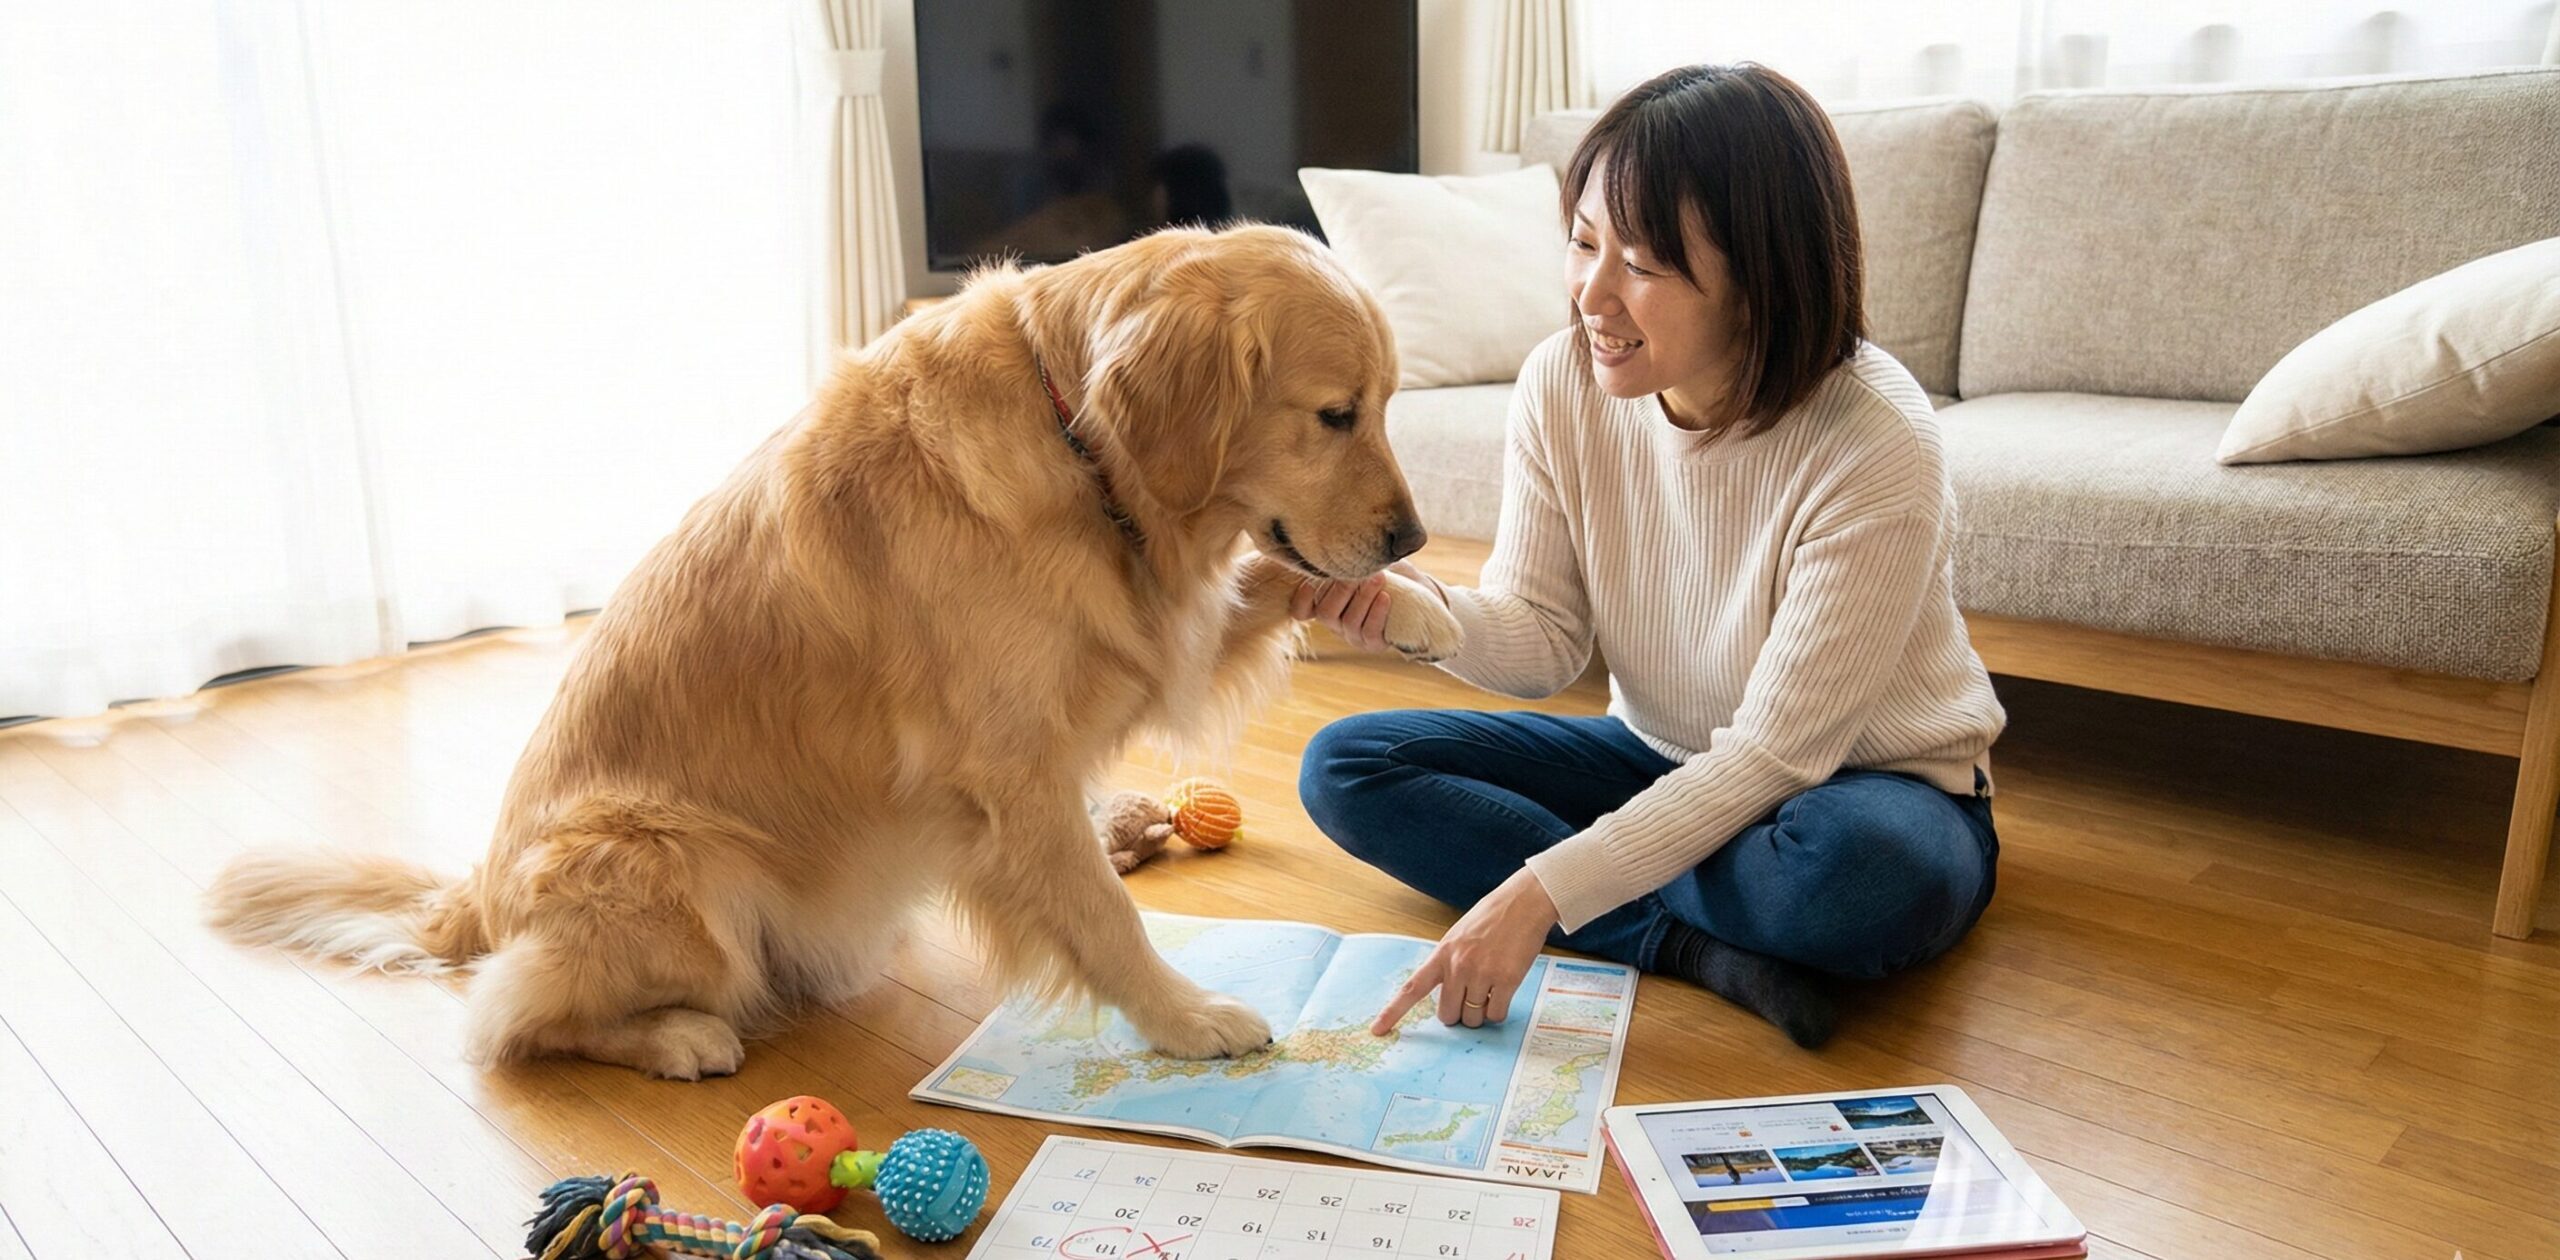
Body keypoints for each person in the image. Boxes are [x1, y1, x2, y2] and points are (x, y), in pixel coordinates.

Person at [1292, 63, 2007, 1049]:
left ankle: (1637, 896)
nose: (1592, 295)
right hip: (1657, 755)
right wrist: (1422, 615)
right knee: (1347, 764)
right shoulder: (1561, 383)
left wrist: (1536, 892)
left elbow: (1775, 755)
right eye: (1584, 243)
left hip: (1861, 786)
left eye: (1642, 264)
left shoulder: (1876, 440)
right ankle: (1696, 949)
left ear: (1759, 276)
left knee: (1857, 879)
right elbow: (1543, 642)